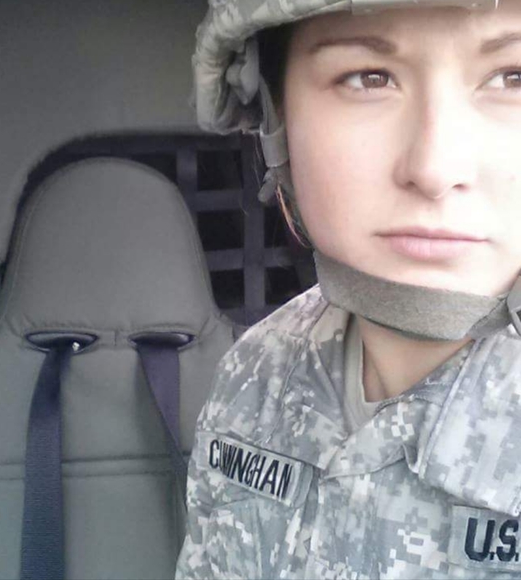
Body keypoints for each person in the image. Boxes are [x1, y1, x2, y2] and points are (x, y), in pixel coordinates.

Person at [176, 0, 521, 577]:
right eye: (368, 78)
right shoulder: (255, 372)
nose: (435, 169)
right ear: (277, 120)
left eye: (513, 78)